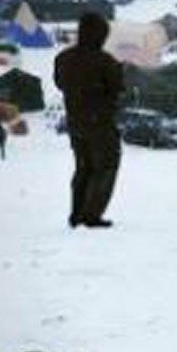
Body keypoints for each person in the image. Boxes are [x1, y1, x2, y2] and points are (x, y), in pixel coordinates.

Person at [54, 12, 123, 229]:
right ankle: (91, 214)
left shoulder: (63, 58)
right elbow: (118, 88)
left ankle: (77, 213)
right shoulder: (105, 61)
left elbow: (60, 83)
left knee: (83, 168)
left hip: (75, 121)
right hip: (101, 122)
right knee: (105, 167)